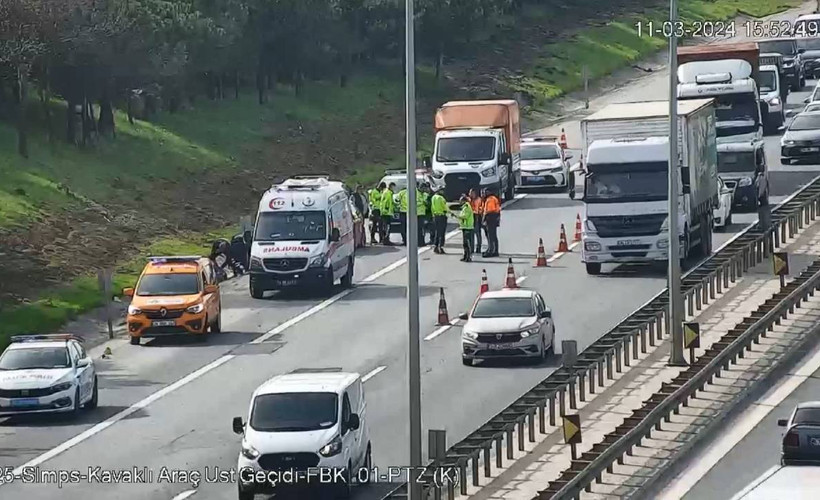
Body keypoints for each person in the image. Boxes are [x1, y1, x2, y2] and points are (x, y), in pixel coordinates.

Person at [451, 195, 474, 262]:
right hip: (465, 227)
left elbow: (464, 216)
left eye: (461, 200)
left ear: (464, 201)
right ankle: (465, 256)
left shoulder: (466, 207)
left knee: (467, 243)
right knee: (465, 244)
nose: (460, 202)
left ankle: (468, 257)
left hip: (468, 227)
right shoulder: (464, 207)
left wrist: (457, 216)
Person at [483, 188, 501, 257]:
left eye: (485, 192)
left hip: (490, 218)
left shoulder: (490, 199)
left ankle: (491, 250)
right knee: (493, 235)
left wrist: (484, 218)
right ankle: (495, 250)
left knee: (491, 235)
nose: (484, 193)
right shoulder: (493, 198)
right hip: (494, 218)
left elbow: (489, 210)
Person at [430, 187, 448, 254]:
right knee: (442, 233)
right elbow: (445, 207)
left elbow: (432, 207)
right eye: (442, 190)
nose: (443, 191)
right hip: (442, 216)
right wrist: (450, 212)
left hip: (435, 216)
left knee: (437, 232)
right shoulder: (441, 198)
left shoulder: (433, 197)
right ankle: (441, 247)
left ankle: (436, 246)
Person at [469, 188, 484, 255]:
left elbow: (481, 208)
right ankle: (471, 248)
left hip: (477, 216)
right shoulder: (469, 200)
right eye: (470, 193)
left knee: (477, 233)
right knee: (471, 233)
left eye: (472, 193)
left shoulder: (479, 200)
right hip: (471, 217)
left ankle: (478, 248)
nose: (471, 194)